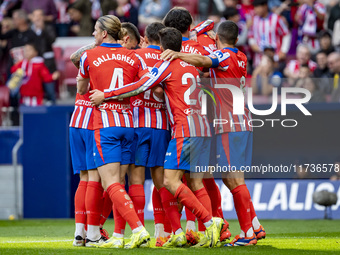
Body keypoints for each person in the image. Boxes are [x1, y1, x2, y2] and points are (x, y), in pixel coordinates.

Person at [89, 27, 223, 248]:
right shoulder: (192, 63)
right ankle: (199, 229)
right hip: (202, 127)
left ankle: (210, 222)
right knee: (193, 181)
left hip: (181, 128)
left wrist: (106, 95)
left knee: (164, 181)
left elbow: (139, 86)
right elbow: (207, 62)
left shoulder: (166, 66)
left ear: (163, 48)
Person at [160, 20, 266, 246]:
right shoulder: (241, 57)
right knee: (234, 179)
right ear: (237, 39)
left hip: (230, 124)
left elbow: (203, 60)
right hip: (242, 121)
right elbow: (211, 70)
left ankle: (248, 233)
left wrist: (178, 55)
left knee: (234, 180)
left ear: (217, 38)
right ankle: (254, 227)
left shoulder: (224, 56)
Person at [76, 14, 151, 249]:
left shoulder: (89, 55)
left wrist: (105, 93)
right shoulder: (133, 56)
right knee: (119, 181)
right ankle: (118, 236)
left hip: (105, 125)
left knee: (109, 183)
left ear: (104, 33)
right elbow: (145, 83)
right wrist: (118, 93)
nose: (93, 35)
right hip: (129, 125)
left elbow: (81, 88)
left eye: (95, 31)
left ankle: (138, 230)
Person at [163, 8, 228, 245]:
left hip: (181, 124)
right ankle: (213, 227)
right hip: (206, 118)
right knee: (200, 179)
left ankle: (195, 226)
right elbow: (210, 24)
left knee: (170, 179)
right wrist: (200, 30)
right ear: (189, 27)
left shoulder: (168, 56)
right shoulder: (202, 46)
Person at [248, 0, 291, 67]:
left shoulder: (276, 18)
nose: (255, 9)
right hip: (259, 59)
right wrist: (253, 44)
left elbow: (286, 34)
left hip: (276, 57)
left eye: (257, 7)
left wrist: (283, 51)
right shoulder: (254, 20)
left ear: (265, 6)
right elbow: (251, 35)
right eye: (255, 7)